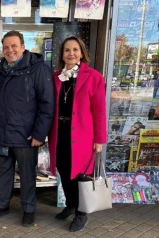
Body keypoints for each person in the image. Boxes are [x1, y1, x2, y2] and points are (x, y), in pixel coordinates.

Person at [0, 30, 54, 227]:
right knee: (4, 172)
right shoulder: (1, 70)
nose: (10, 50)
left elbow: (47, 104)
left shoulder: (38, 69)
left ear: (23, 47)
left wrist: (40, 134)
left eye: (14, 46)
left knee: (27, 175)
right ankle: (2, 205)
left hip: (26, 135)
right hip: (4, 132)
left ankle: (29, 209)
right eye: (6, 47)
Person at [48, 36, 107, 232]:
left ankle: (82, 213)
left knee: (82, 175)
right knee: (64, 171)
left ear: (82, 53)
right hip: (60, 132)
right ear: (62, 55)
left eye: (75, 50)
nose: (71, 53)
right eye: (67, 50)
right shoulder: (56, 77)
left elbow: (99, 110)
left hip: (82, 135)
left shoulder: (94, 77)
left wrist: (99, 139)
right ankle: (71, 205)